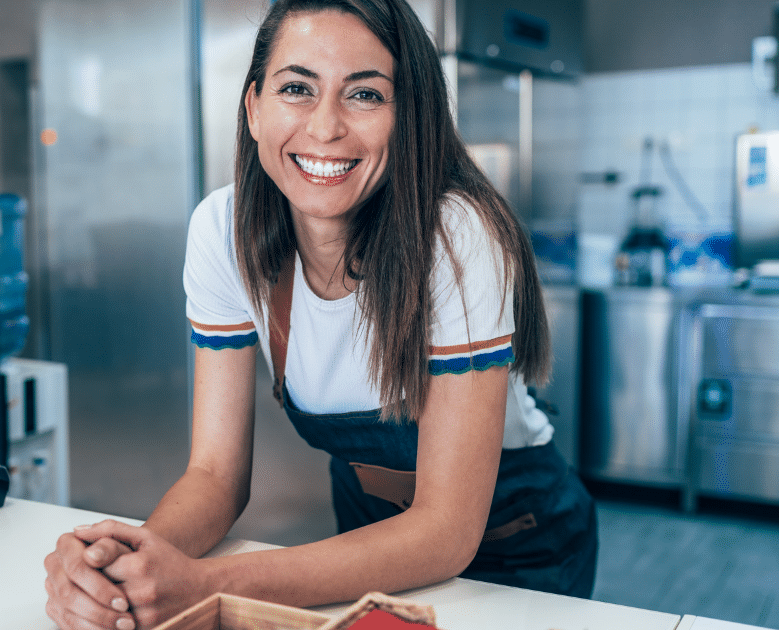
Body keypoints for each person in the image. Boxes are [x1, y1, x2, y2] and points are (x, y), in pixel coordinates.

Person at [44, 1, 598, 628]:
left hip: (514, 547)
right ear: (254, 108)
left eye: (365, 95)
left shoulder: (457, 238)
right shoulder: (224, 234)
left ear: (408, 118)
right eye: (296, 89)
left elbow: (446, 529)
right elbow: (215, 475)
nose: (325, 127)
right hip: (364, 544)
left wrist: (204, 584)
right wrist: (131, 563)